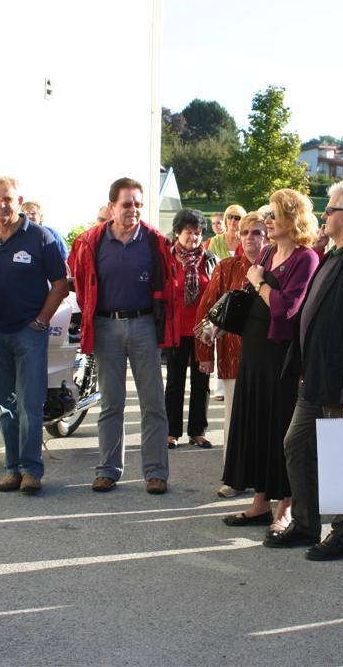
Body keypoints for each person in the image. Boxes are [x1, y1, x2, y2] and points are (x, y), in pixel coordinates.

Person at [265, 180, 343, 561]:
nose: (323, 215)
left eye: (330, 209)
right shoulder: (333, 254)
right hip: (314, 378)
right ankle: (305, 524)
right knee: (296, 446)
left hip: (339, 382)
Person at [70, 177, 177, 495]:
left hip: (143, 325)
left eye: (138, 204)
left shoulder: (155, 241)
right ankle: (108, 470)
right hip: (105, 327)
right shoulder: (92, 241)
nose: (134, 210)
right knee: (111, 403)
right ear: (112, 206)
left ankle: (156, 472)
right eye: (127, 204)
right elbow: (79, 280)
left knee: (153, 403)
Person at [221, 192, 319, 531]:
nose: (268, 220)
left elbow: (285, 309)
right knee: (257, 425)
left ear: (293, 219)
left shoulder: (306, 258)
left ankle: (285, 508)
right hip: (254, 350)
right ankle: (260, 503)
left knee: (280, 427)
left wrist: (259, 281)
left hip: (282, 355)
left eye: (274, 214)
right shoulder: (267, 251)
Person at [0, 176, 68, 494]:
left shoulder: (40, 237)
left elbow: (60, 284)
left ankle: (31, 470)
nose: (1, 205)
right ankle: (11, 469)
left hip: (29, 335)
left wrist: (41, 321)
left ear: (18, 200)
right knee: (5, 406)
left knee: (29, 404)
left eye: (7, 199)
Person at [196, 212, 269, 498]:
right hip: (233, 357)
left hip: (269, 358)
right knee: (235, 420)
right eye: (246, 232)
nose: (250, 237)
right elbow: (207, 310)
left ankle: (265, 479)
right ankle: (235, 477)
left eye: (257, 232)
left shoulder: (277, 267)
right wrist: (205, 353)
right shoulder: (226, 267)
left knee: (267, 421)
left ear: (267, 236)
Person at [164, 209, 217, 449]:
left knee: (201, 382)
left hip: (202, 331)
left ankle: (197, 431)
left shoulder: (210, 260)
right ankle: (170, 431)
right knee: (175, 382)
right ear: (177, 232)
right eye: (188, 232)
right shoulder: (166, 259)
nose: (193, 238)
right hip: (175, 330)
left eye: (197, 233)